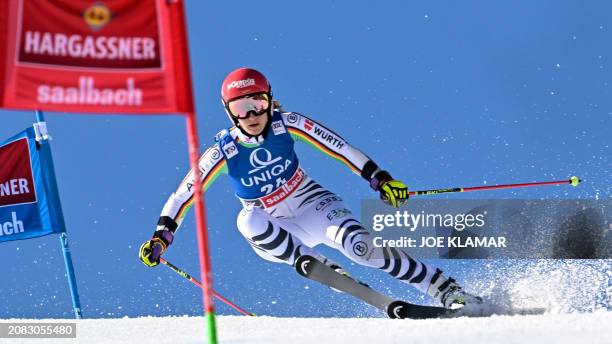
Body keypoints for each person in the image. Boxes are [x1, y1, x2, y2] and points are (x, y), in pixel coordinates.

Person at [139, 67, 482, 309]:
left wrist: (380, 178)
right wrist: (162, 236)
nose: (252, 113)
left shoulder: (287, 124)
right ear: (229, 114)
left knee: (361, 246)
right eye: (241, 108)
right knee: (246, 220)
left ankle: (443, 288)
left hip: (310, 202)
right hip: (274, 227)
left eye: (257, 102)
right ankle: (314, 262)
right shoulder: (222, 150)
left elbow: (340, 148)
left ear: (270, 99)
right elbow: (182, 195)